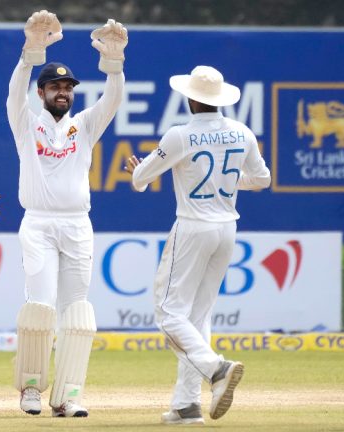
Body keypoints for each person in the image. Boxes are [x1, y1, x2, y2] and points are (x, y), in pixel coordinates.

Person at [126, 65, 271, 425]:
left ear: (191, 98)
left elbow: (140, 179)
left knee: (167, 311)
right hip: (227, 228)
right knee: (197, 316)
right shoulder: (242, 132)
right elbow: (262, 179)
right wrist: (229, 175)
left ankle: (216, 368)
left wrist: (138, 169)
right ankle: (186, 404)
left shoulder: (181, 135)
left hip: (193, 227)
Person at [6, 10, 126, 417]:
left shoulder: (84, 126)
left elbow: (112, 100)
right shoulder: (26, 123)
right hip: (38, 223)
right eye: (55, 86)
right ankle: (32, 389)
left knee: (77, 313)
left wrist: (114, 65)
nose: (63, 92)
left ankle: (69, 394)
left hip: (78, 225)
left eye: (68, 87)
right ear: (41, 93)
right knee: (40, 308)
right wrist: (31, 53)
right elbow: (13, 92)